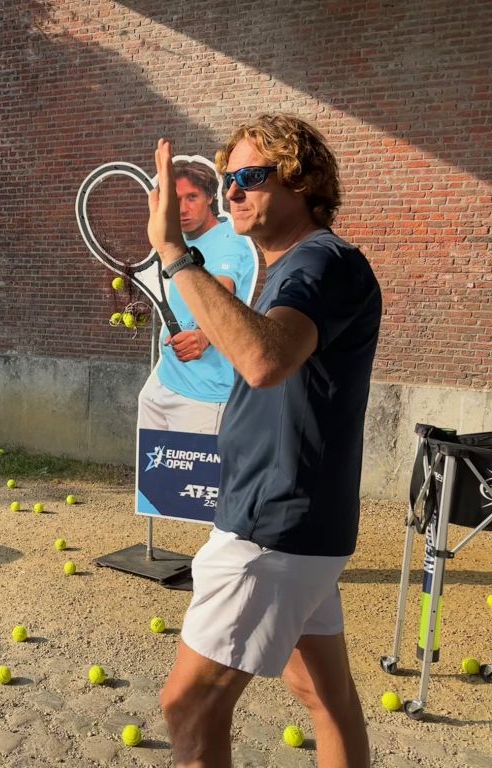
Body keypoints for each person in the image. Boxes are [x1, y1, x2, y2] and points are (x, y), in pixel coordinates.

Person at [146, 115, 381, 768]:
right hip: (296, 524)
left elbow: (264, 359)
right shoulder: (294, 271)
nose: (232, 193)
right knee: (323, 697)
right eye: (226, 181)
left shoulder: (320, 263)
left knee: (188, 706)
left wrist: (174, 254)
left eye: (250, 177)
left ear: (301, 181)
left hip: (271, 528)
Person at [138, 159, 257, 435]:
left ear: (210, 198)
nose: (182, 208)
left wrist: (203, 336)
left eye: (192, 197)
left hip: (204, 394)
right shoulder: (177, 240)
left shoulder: (229, 242)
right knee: (153, 478)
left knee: (199, 480)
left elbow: (222, 292)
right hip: (163, 383)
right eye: (175, 199)